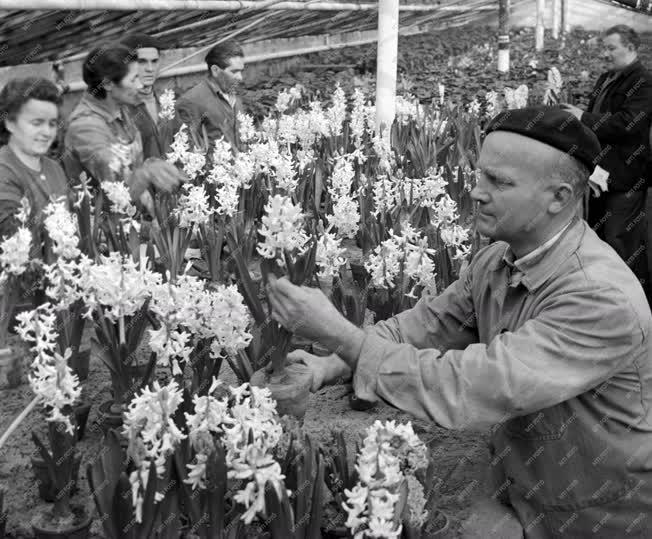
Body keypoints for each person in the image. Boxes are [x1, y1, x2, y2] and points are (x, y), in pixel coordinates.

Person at [266, 107, 652, 538]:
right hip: (522, 484)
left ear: (559, 197)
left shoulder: (599, 297)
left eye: (499, 182)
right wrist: (327, 365)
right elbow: (421, 326)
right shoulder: (497, 259)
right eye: (480, 174)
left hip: (599, 512)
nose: (476, 192)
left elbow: (474, 385)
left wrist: (338, 333)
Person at [562, 25, 652, 301]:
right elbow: (597, 117)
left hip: (626, 176)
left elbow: (628, 124)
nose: (605, 53)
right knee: (600, 239)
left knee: (622, 240)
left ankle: (635, 302)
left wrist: (582, 118)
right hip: (600, 174)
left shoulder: (644, 82)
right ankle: (605, 301)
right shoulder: (607, 78)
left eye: (611, 47)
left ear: (631, 47)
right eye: (604, 47)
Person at [62, 44, 184, 208]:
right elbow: (117, 191)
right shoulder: (85, 128)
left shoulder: (121, 110)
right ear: (108, 84)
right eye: (133, 79)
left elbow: (132, 165)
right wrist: (146, 173)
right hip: (106, 228)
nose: (141, 85)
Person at [0, 77, 69, 248]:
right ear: (10, 123)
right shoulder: (3, 172)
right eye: (36, 123)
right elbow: (14, 242)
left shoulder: (54, 167)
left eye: (52, 124)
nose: (46, 132)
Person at [173, 40, 245, 151]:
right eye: (234, 71)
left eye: (241, 71)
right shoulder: (191, 101)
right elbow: (185, 150)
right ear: (215, 70)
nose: (240, 78)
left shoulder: (236, 97)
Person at [119, 33, 167, 160]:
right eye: (142, 62)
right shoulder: (121, 108)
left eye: (154, 61)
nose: (150, 69)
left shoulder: (167, 100)